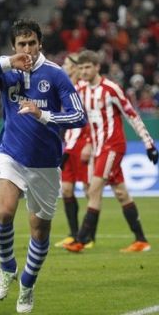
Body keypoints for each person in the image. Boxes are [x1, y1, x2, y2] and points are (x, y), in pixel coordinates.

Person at [0, 18, 86, 313]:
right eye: (22, 44)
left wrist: (43, 115)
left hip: (45, 165)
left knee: (39, 231)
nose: (27, 49)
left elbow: (79, 116)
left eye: (32, 43)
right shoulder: (7, 72)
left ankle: (27, 285)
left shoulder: (56, 76)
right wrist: (6, 63)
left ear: (40, 43)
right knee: (4, 212)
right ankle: (7, 269)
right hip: (11, 155)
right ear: (14, 46)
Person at [64, 50, 159, 253]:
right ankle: (141, 240)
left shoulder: (110, 89)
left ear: (97, 67)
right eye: (80, 68)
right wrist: (87, 142)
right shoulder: (80, 89)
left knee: (94, 188)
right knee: (121, 193)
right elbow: (85, 122)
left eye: (88, 67)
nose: (84, 71)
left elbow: (131, 114)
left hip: (112, 146)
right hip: (99, 148)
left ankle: (81, 239)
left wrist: (148, 143)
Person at [55, 53, 95, 249]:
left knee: (89, 190)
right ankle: (74, 234)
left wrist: (89, 141)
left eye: (67, 64)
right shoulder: (66, 88)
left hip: (82, 144)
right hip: (68, 146)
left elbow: (91, 118)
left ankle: (89, 237)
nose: (64, 66)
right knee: (67, 189)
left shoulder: (85, 90)